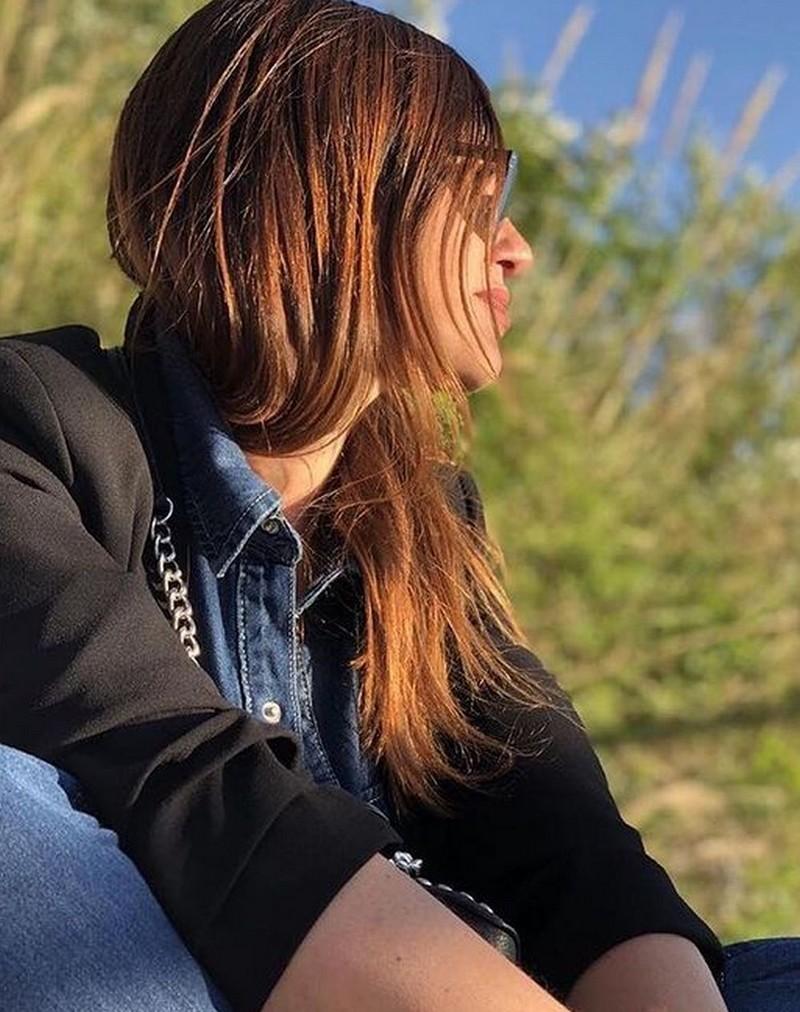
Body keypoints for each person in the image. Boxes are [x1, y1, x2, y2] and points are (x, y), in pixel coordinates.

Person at [0, 1, 798, 1010]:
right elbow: (177, 775)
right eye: (478, 199)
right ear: (322, 202)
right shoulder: (39, 426)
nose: (515, 249)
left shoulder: (422, 522)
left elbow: (563, 844)